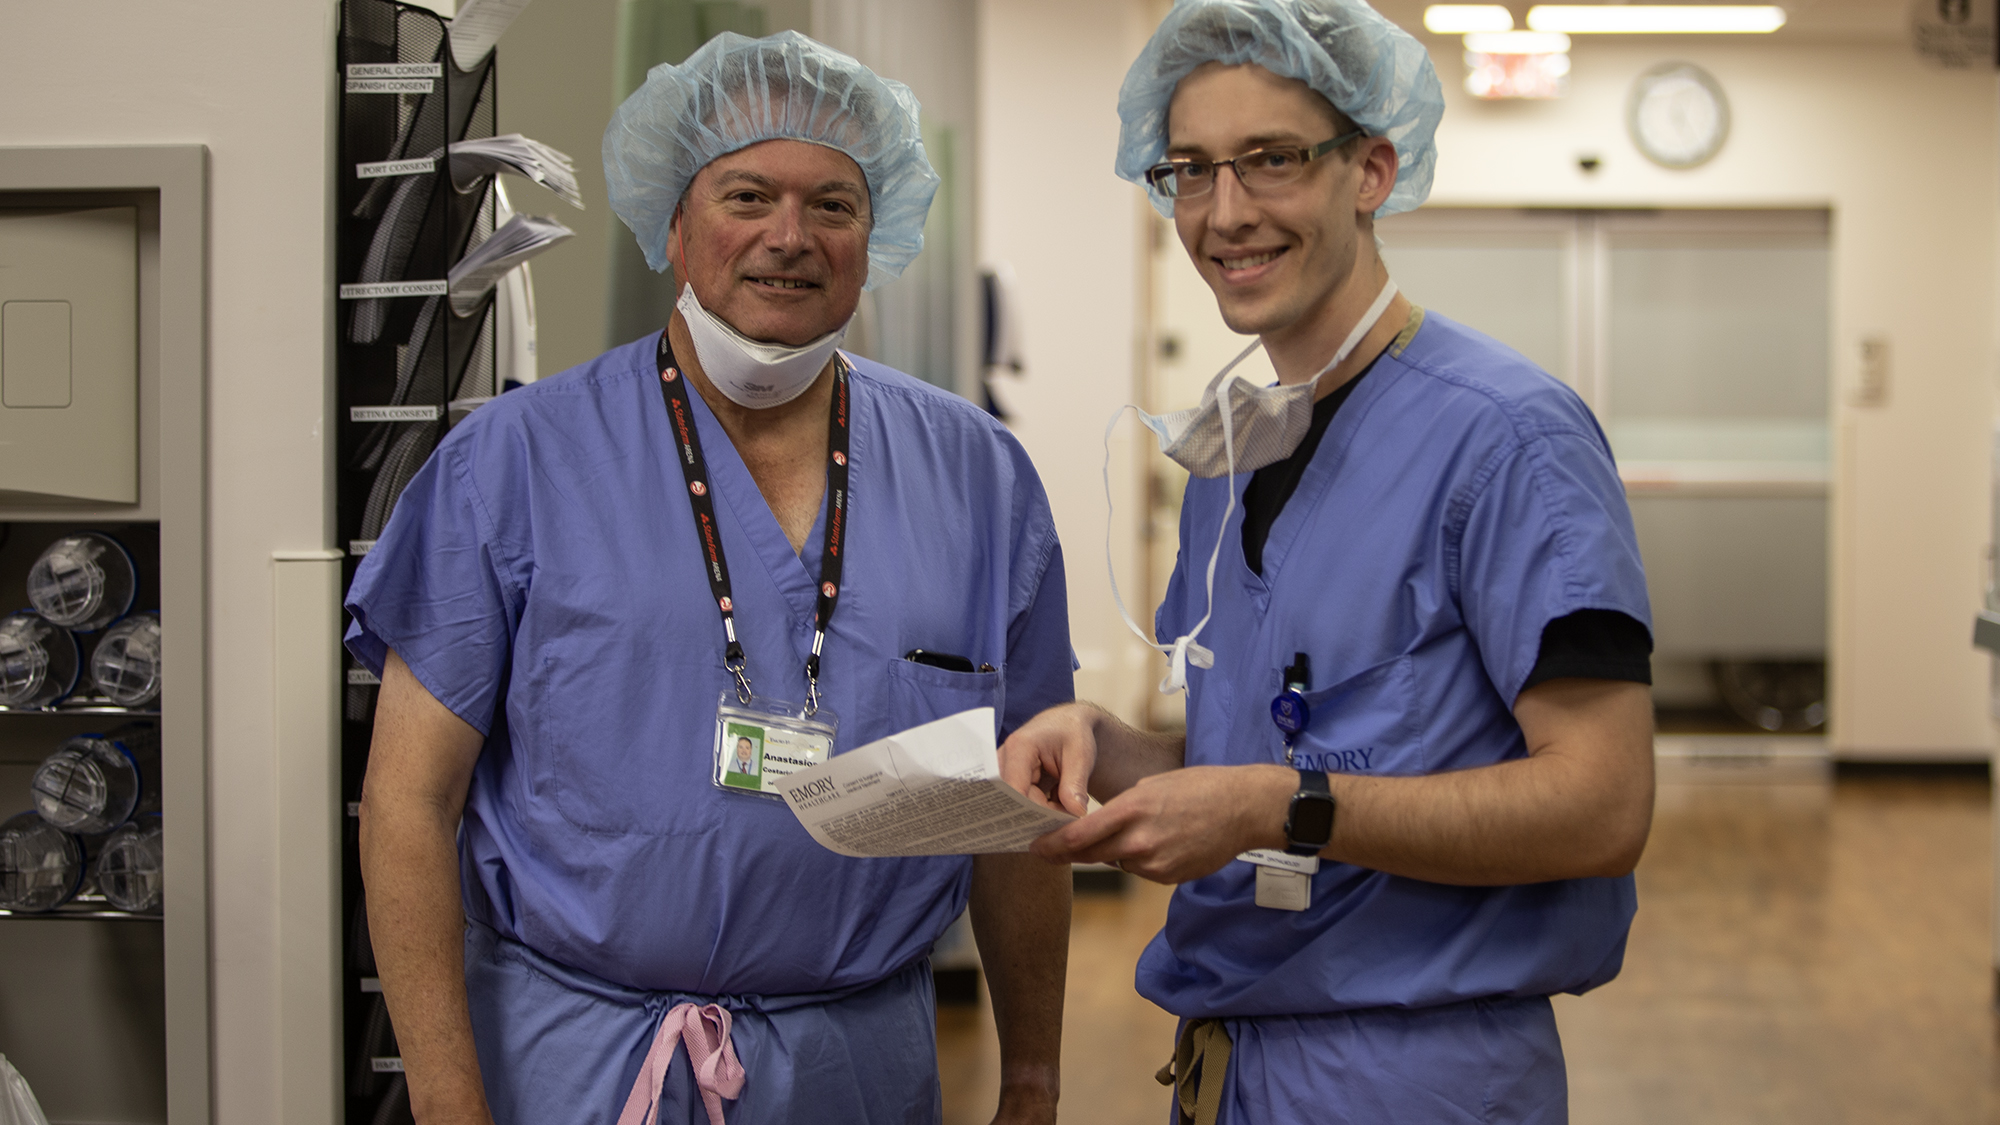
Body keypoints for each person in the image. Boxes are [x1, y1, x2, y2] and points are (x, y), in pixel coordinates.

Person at [349, 30, 1072, 1125]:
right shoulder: (517, 463)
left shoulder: (977, 477)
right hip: (574, 1063)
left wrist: (1030, 1080)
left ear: (874, 235)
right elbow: (409, 801)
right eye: (746, 194)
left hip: (857, 1067)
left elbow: (1018, 805)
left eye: (832, 203)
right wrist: (450, 1104)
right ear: (673, 224)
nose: (788, 237)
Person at [998, 1, 1655, 1121]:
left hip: (1417, 1070)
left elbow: (1599, 808)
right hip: (1233, 1066)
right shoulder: (1231, 454)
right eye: (1190, 171)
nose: (1224, 212)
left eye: (1270, 161)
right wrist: (1112, 749)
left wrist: (1275, 805)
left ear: (1370, 169)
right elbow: (1278, 755)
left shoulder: (1504, 439)